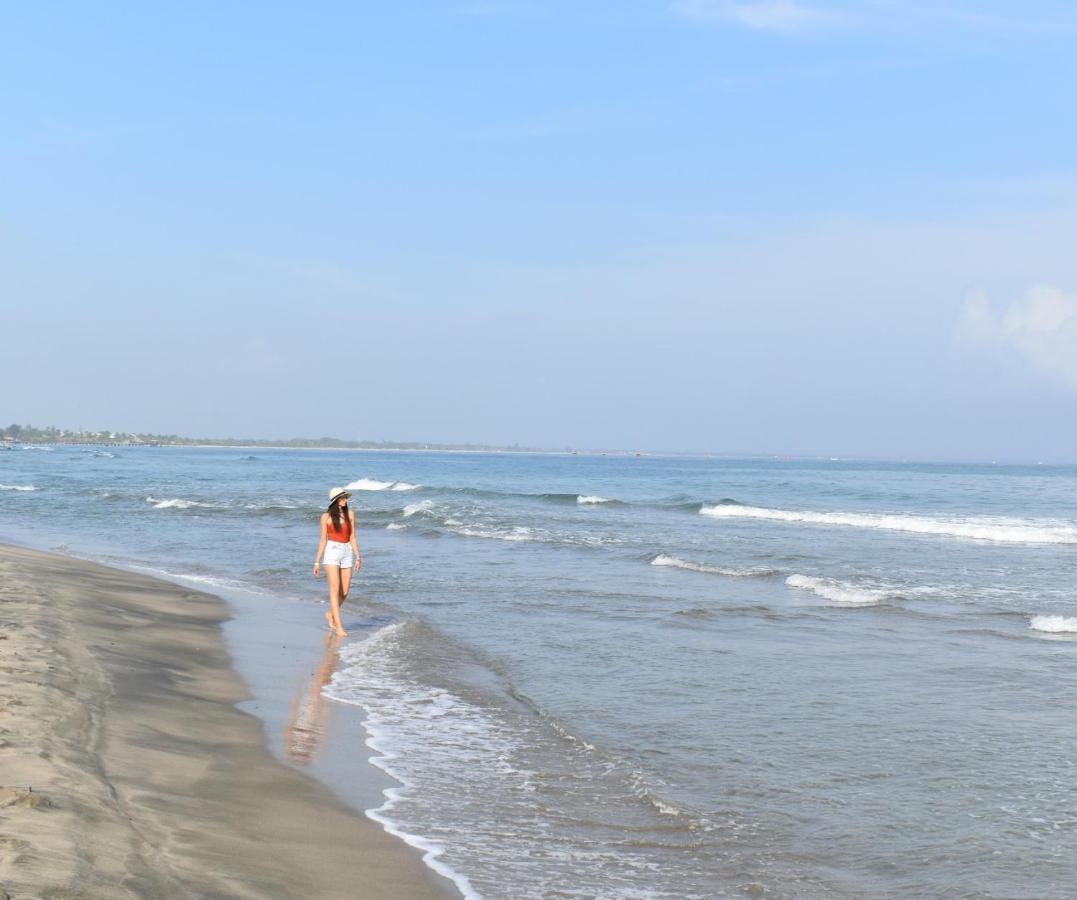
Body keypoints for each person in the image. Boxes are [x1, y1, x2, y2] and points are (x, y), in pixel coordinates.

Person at [313, 487, 361, 636]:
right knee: (334, 590)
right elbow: (322, 540)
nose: (345, 500)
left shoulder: (350, 514)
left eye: (345, 497)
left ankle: (330, 613)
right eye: (342, 498)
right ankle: (339, 627)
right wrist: (316, 562)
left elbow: (353, 537)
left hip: (347, 551)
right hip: (332, 551)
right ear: (335, 500)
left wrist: (358, 556)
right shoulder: (325, 517)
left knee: (345, 591)